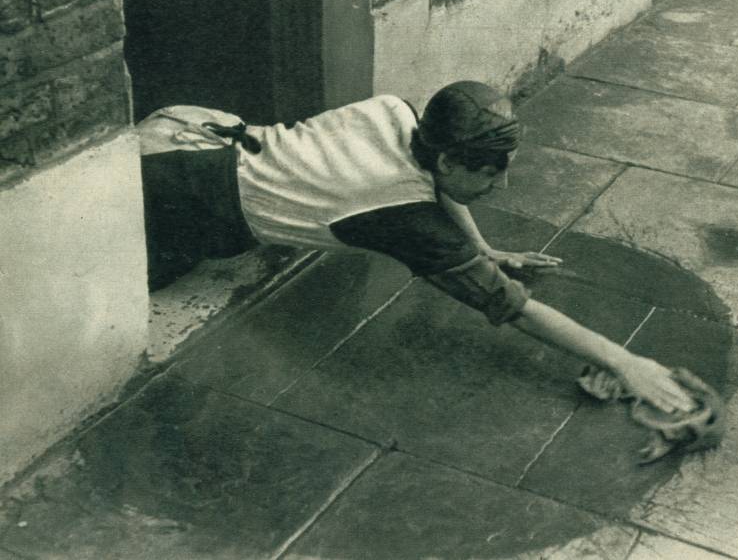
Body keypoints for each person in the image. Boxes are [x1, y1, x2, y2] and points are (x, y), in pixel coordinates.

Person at [138, 81, 695, 414]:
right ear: (450, 161)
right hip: (170, 194)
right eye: (488, 176)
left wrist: (484, 246)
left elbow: (433, 185)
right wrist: (625, 361)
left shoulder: (400, 112)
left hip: (189, 126)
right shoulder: (402, 217)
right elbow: (511, 306)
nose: (499, 187)